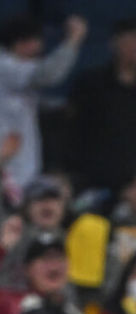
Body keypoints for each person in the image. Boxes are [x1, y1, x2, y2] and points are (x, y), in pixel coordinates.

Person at [67, 17, 136, 198]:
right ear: (114, 43)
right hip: (96, 178)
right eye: (130, 40)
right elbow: (75, 131)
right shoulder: (91, 83)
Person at [0, 13, 87, 190]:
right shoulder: (6, 65)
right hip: (8, 166)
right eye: (36, 41)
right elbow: (47, 74)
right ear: (21, 43)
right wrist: (73, 41)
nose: (40, 47)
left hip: (18, 165)